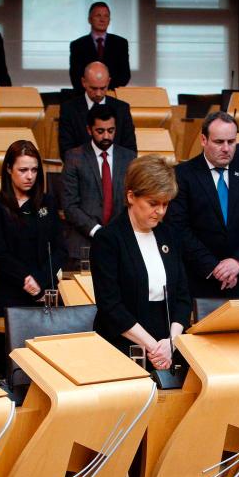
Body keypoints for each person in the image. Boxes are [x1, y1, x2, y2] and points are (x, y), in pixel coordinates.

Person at [91, 155, 190, 369]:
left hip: (168, 347)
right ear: (131, 196)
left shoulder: (169, 235)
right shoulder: (108, 239)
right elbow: (111, 306)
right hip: (122, 348)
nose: (161, 211)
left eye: (165, 204)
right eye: (153, 203)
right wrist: (154, 347)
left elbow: (182, 296)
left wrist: (171, 342)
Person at [167, 111, 239, 298]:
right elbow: (178, 227)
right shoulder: (182, 175)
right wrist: (214, 267)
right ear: (203, 140)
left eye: (231, 141)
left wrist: (238, 261)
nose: (226, 148)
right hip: (197, 277)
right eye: (219, 142)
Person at [0, 140, 66, 313]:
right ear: (8, 169)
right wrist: (27, 279)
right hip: (10, 292)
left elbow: (60, 249)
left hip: (46, 290)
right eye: (23, 170)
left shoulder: (48, 202)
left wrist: (40, 280)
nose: (30, 176)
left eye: (34, 170)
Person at [62, 103, 136, 258]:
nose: (106, 136)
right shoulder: (74, 157)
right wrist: (97, 231)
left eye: (111, 131)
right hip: (83, 242)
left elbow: (132, 202)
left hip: (120, 242)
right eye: (100, 131)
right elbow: (69, 206)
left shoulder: (129, 158)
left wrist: (114, 234)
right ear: (89, 130)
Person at [58, 61, 136, 158]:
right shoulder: (69, 109)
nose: (98, 93)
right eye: (93, 88)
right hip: (80, 170)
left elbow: (130, 150)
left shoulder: (121, 109)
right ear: (84, 82)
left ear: (108, 82)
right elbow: (67, 151)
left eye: (103, 88)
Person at [69, 1, 130, 91]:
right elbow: (76, 76)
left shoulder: (121, 43)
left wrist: (104, 90)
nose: (102, 19)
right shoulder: (78, 45)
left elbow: (125, 75)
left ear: (109, 20)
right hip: (86, 96)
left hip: (112, 95)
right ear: (89, 19)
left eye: (106, 16)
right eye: (98, 15)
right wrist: (93, 91)